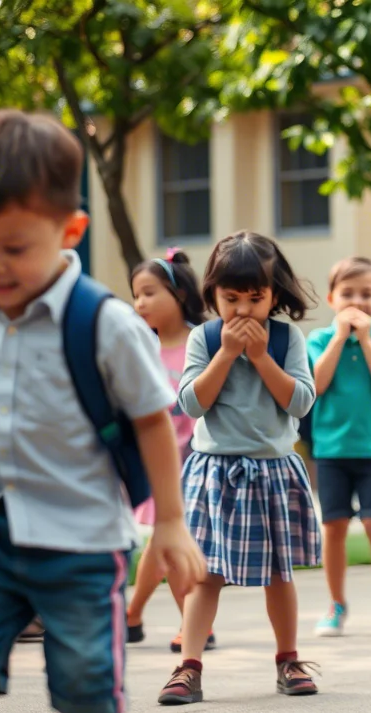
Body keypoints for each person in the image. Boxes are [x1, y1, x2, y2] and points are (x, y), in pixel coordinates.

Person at [0, 109, 205, 713]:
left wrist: (169, 522)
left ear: (70, 230)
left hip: (81, 540)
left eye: (13, 247)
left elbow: (151, 420)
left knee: (85, 686)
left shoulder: (104, 323)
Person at [158, 231, 321, 706]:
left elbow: (302, 401)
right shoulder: (203, 338)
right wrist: (228, 354)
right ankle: (189, 665)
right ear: (213, 295)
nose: (245, 310)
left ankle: (288, 659)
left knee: (279, 573)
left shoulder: (289, 338)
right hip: (216, 473)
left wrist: (259, 357)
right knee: (206, 575)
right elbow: (191, 403)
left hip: (272, 471)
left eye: (256, 298)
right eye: (232, 299)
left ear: (274, 294)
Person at [308, 257, 371, 637]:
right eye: (348, 293)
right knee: (333, 527)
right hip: (331, 451)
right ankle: (336, 604)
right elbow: (316, 385)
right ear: (332, 298)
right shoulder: (319, 339)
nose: (358, 301)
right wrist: (339, 337)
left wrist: (366, 339)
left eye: (367, 293)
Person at [124, 247, 219, 653]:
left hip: (197, 461)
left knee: (175, 539)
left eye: (149, 292)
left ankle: (143, 617)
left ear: (179, 294)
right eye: (135, 294)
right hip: (159, 464)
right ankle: (179, 620)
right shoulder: (139, 348)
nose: (139, 303)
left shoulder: (202, 342)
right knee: (167, 540)